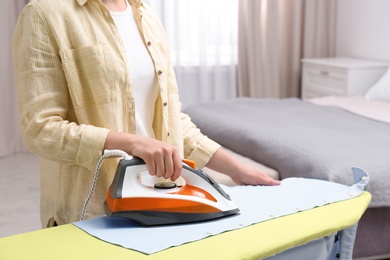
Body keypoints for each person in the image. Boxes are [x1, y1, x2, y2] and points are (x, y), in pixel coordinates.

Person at [13, 0, 280, 228]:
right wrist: (132, 142)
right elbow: (40, 129)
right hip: (89, 210)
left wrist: (238, 170)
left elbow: (172, 121)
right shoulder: (45, 14)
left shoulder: (146, 16)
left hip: (158, 199)